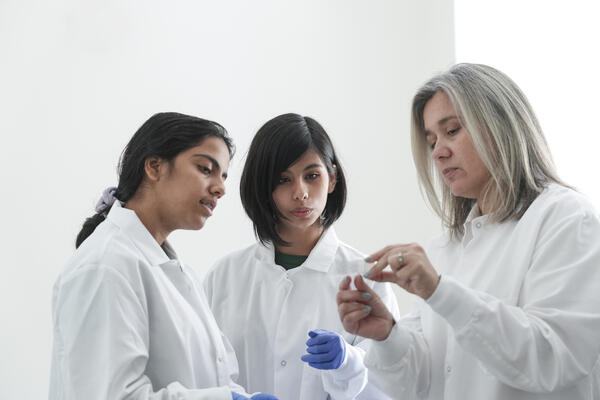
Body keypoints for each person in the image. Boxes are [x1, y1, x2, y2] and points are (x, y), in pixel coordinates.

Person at [336, 63, 600, 400]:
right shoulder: (448, 245)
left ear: (500, 125)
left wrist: (441, 292)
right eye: (431, 140)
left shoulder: (566, 218)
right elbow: (418, 384)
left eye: (452, 130)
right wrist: (387, 334)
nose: (438, 152)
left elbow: (554, 360)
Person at [49, 112, 277, 400]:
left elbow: (212, 376)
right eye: (206, 169)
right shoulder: (106, 266)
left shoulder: (175, 273)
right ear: (155, 166)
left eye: (223, 176)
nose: (220, 188)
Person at [203, 113, 400, 400]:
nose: (301, 193)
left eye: (312, 176)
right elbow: (203, 372)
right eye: (283, 179)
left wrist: (347, 362)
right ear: (263, 186)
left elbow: (391, 382)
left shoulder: (367, 278)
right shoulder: (225, 277)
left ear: (332, 179)